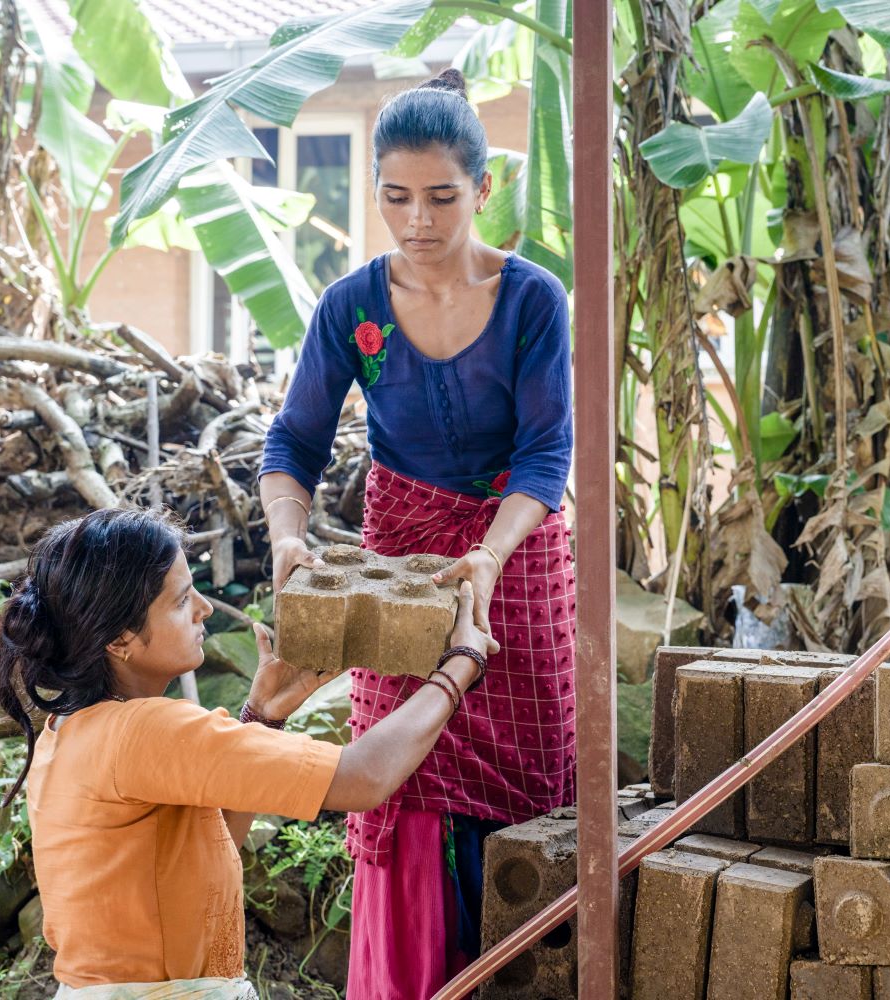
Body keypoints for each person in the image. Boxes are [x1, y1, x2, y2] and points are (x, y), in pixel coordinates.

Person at [259, 68, 576, 997]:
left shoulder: (531, 302)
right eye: (396, 197)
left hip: (513, 556)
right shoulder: (350, 308)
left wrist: (488, 552)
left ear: (482, 190)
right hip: (402, 560)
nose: (419, 219)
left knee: (525, 771)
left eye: (442, 196)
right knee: (404, 775)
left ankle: (516, 968)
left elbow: (546, 455)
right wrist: (289, 537)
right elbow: (292, 443)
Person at [0, 506, 496, 998]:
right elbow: (363, 777)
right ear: (121, 639)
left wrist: (263, 719)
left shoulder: (68, 729)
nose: (204, 609)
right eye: (181, 599)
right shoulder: (143, 729)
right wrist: (458, 668)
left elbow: (209, 851)